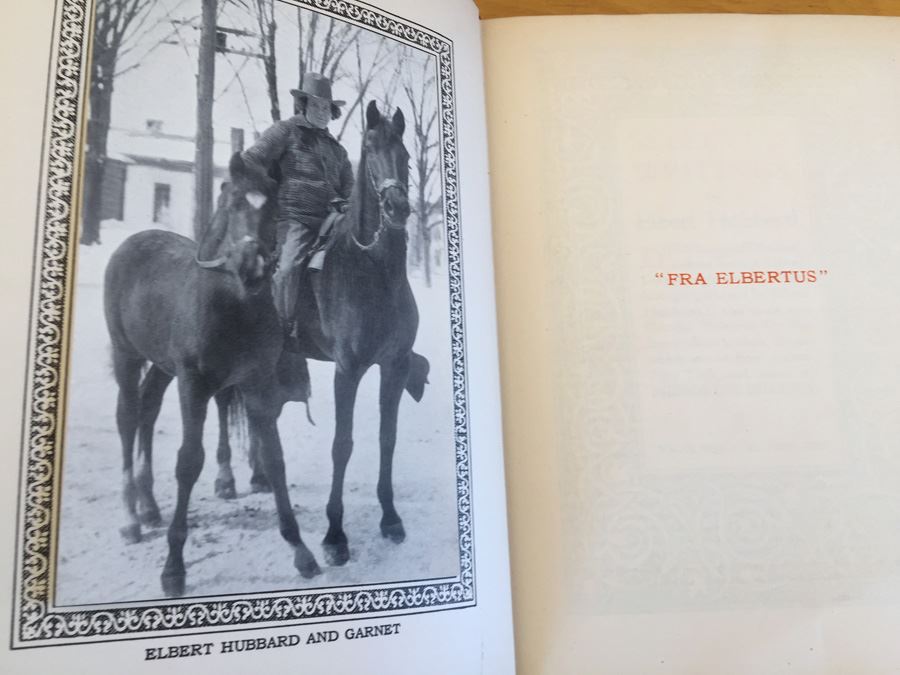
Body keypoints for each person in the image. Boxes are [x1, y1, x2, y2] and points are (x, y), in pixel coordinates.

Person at [242, 72, 354, 335]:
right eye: (315, 105)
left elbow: (350, 187)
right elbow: (251, 159)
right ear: (303, 105)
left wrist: (347, 203)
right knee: (289, 267)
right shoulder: (286, 131)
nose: (322, 112)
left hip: (332, 222)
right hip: (295, 218)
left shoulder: (338, 150)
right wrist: (263, 191)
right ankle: (281, 327)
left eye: (326, 107)